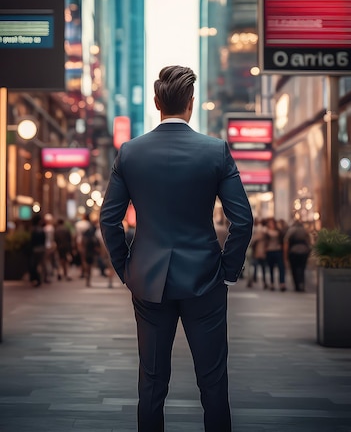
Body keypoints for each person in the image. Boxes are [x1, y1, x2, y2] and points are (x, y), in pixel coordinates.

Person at [100, 65, 253, 432]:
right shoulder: (215, 151)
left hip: (149, 283)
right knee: (213, 383)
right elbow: (243, 221)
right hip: (205, 281)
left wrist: (127, 269)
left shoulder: (131, 153)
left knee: (151, 384)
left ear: (156, 103)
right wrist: (227, 271)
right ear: (191, 104)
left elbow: (109, 220)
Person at [284, 219, 311, 292]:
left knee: (294, 269)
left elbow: (286, 241)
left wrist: (285, 254)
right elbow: (309, 241)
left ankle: (296, 285)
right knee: (302, 269)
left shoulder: (291, 230)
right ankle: (302, 283)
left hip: (294, 251)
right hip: (304, 251)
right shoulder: (305, 230)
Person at [265, 217, 286, 291]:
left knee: (281, 268)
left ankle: (282, 283)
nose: (271, 224)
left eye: (272, 223)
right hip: (270, 250)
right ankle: (272, 283)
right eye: (269, 223)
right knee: (271, 268)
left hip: (278, 250)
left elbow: (283, 239)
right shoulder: (266, 232)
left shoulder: (279, 231)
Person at [246, 217, 268, 289]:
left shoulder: (264, 232)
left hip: (259, 251)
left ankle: (255, 281)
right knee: (253, 267)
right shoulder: (257, 232)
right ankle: (252, 280)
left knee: (258, 267)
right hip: (254, 251)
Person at [29, 214, 46, 287]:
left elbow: (31, 241)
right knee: (40, 264)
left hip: (35, 249)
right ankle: (40, 278)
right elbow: (43, 239)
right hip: (41, 248)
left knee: (34, 265)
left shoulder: (33, 229)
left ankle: (36, 279)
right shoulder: (41, 229)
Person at [74, 212, 91, 278]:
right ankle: (87, 271)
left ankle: (83, 271)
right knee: (86, 257)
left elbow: (76, 234)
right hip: (88, 242)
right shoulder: (88, 224)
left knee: (82, 258)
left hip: (79, 241)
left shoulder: (78, 224)